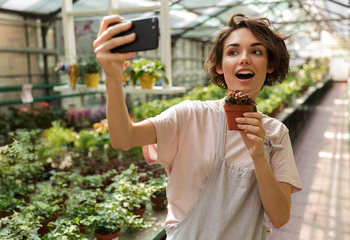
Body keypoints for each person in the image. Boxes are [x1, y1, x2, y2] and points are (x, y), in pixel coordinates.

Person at [93, 13, 302, 240]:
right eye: (233, 52)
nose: (244, 59)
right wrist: (112, 79)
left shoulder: (275, 133)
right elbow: (124, 138)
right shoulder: (191, 115)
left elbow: (280, 218)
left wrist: (259, 157)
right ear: (220, 66)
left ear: (270, 65)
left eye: (256, 51)